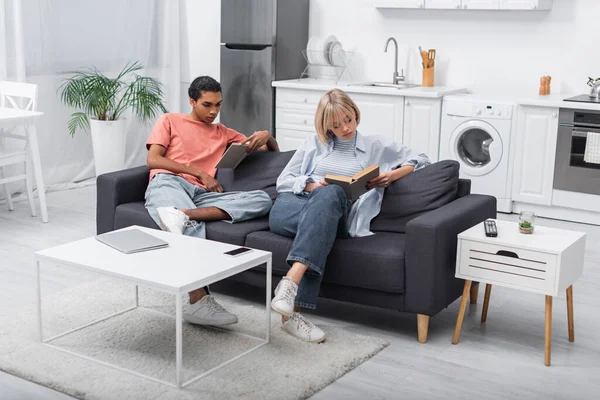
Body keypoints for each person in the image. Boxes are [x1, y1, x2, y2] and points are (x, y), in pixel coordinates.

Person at [269, 89, 430, 342]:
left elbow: (420, 158)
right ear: (326, 126)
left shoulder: (376, 145)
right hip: (290, 209)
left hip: (339, 216)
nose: (345, 127)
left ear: (355, 114)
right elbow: (283, 182)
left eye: (348, 119)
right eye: (336, 124)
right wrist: (312, 185)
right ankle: (290, 304)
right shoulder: (313, 144)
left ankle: (290, 287)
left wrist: (392, 175)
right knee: (323, 207)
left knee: (330, 198)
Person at [145, 76, 279, 327]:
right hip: (170, 182)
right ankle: (198, 300)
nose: (214, 111)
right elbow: (153, 160)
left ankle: (183, 213)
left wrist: (267, 137)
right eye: (207, 105)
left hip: (203, 194)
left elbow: (271, 155)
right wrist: (199, 173)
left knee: (263, 199)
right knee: (187, 229)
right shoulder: (170, 120)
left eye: (218, 105)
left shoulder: (223, 132)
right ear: (192, 101)